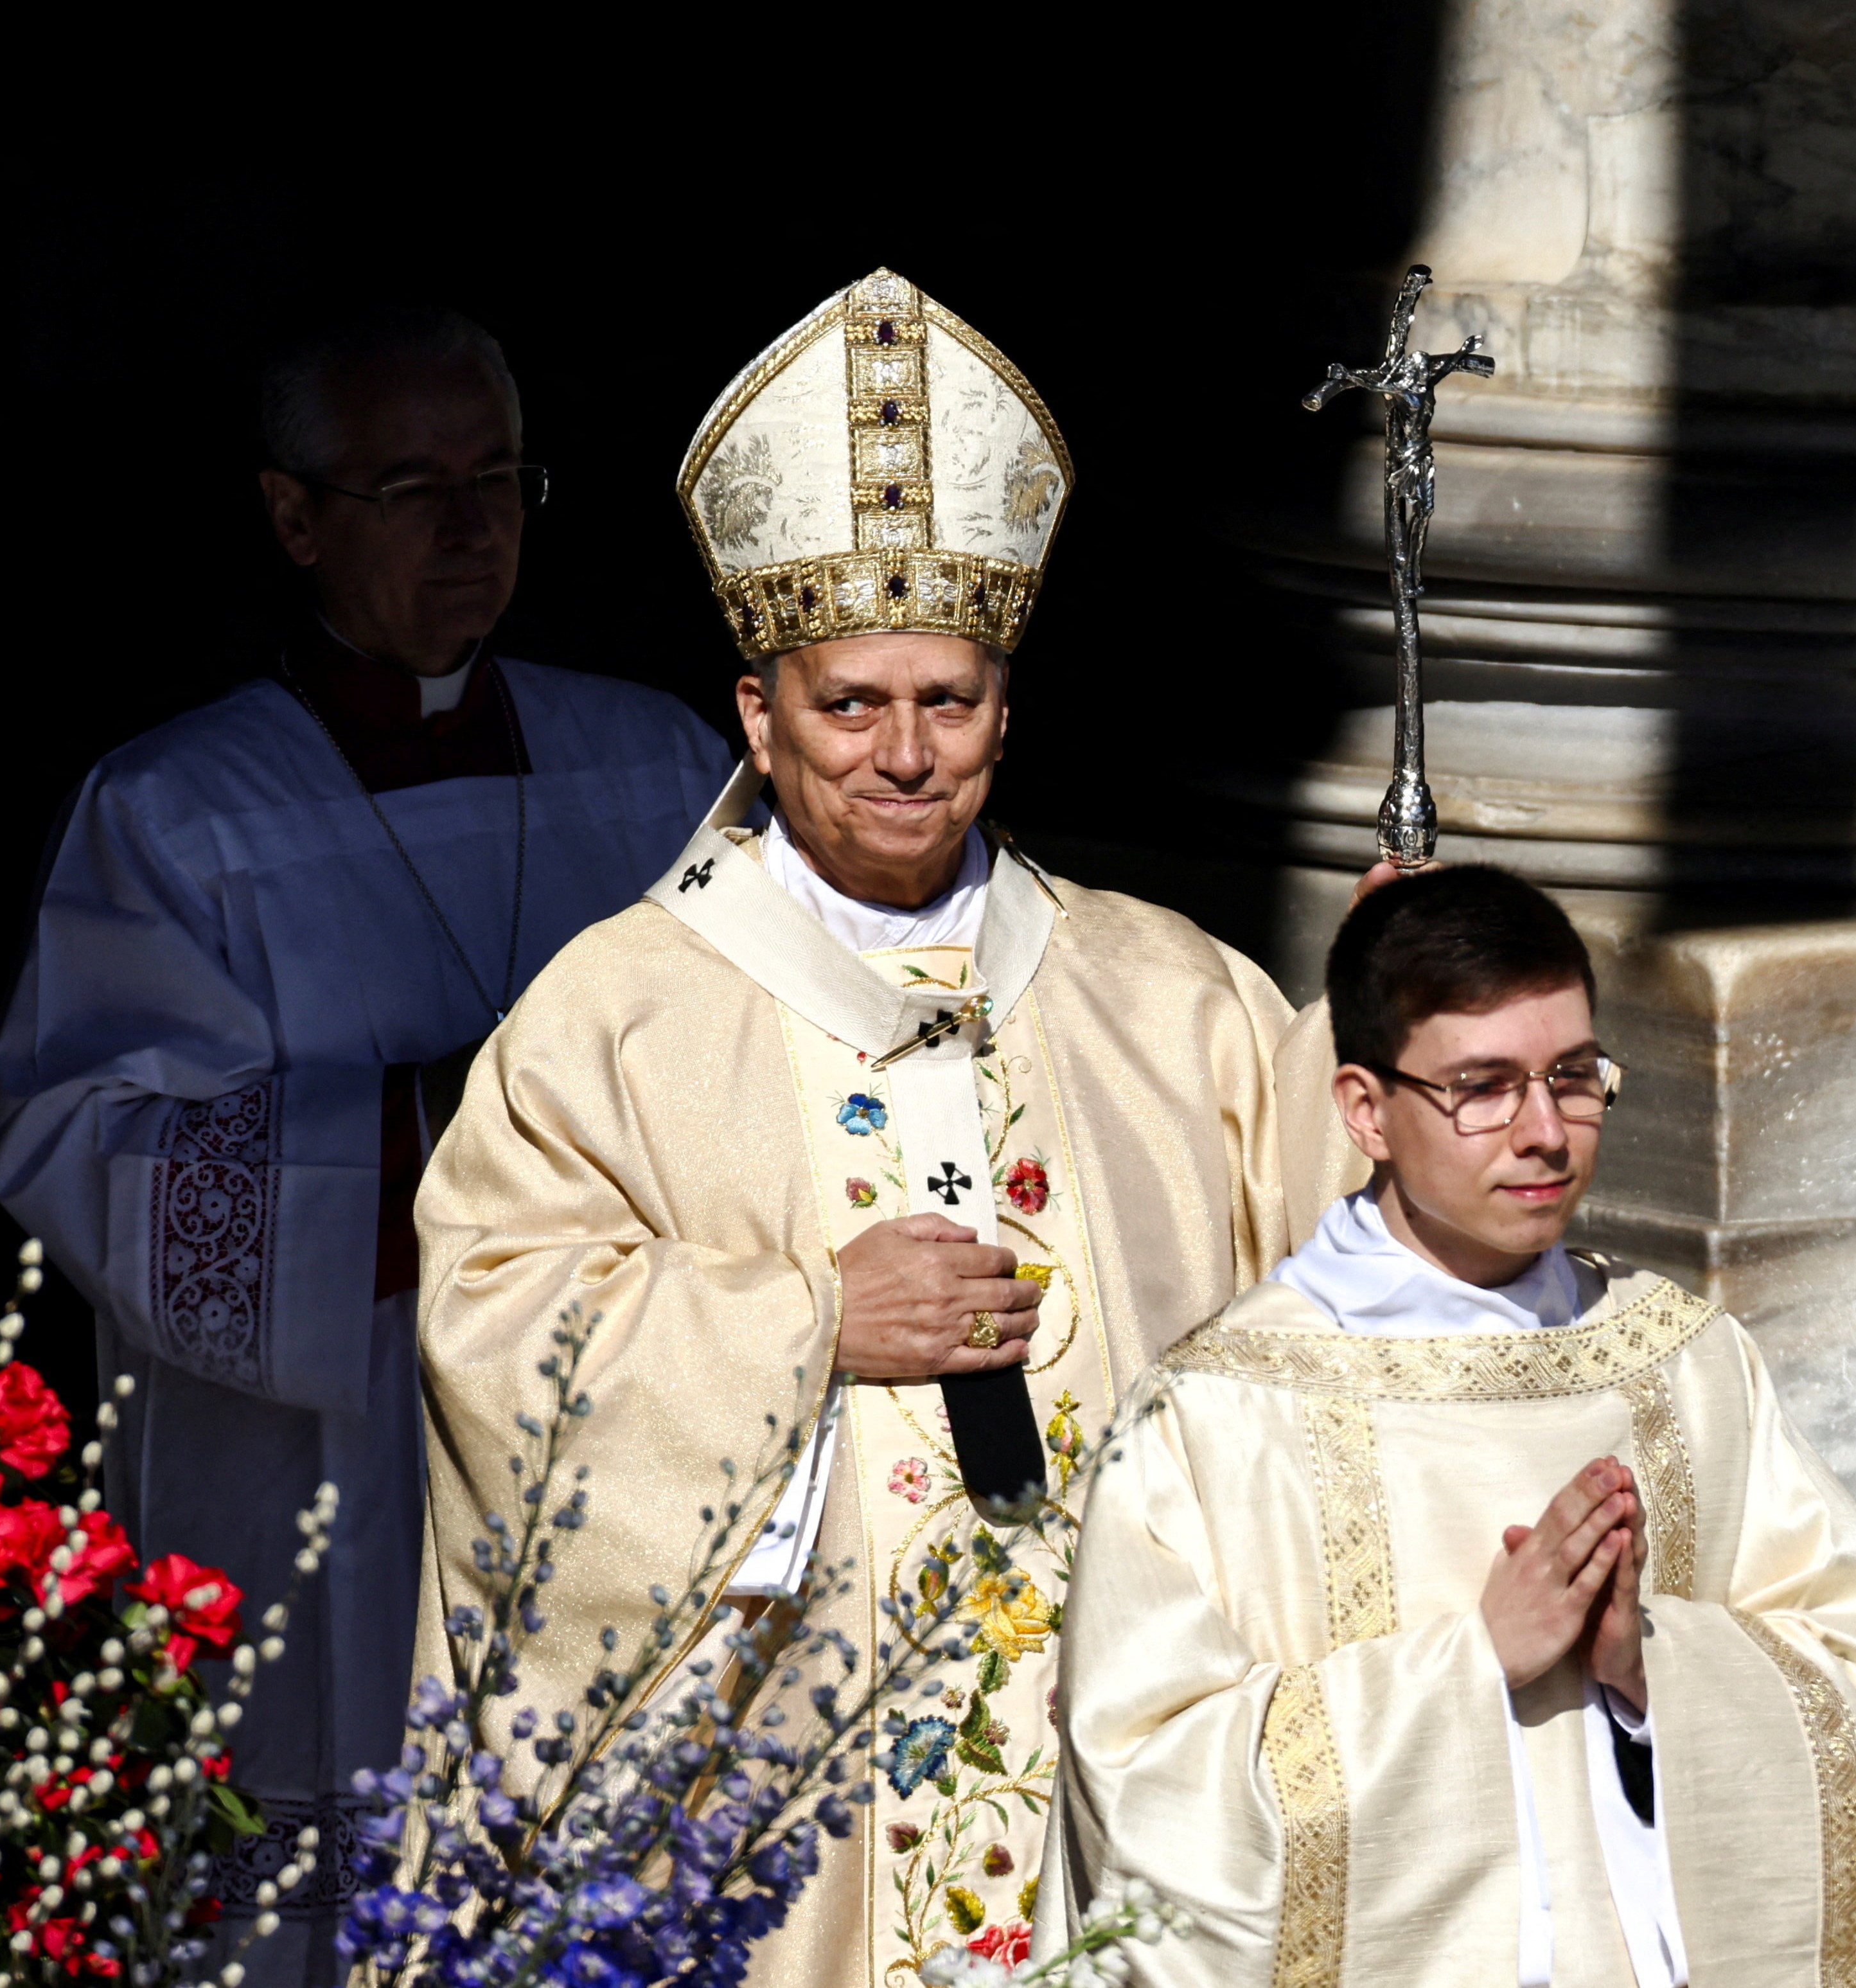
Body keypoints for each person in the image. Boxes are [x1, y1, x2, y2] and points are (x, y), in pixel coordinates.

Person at [412, 268, 1361, 1987]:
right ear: (757, 716)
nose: (908, 753)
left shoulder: (1171, 996)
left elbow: (1345, 1298)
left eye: (955, 698)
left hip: (1115, 1770)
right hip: (795, 1797)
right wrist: (806, 1322)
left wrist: (1400, 1044)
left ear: (1010, 707)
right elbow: (494, 1331)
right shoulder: (613, 1016)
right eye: (852, 703)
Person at [0, 304, 729, 1976]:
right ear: (294, 514)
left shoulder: (661, 759)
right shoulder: (174, 811)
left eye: (502, 476)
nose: (474, 526)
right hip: (327, 1466)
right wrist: (453, 1113)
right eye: (413, 484)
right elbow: (93, 1150)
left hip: (616, 1441)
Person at [1039, 865, 1856, 1988]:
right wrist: (1474, 1664)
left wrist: (1650, 1667)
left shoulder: (1687, 1364)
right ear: (1365, 1108)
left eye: (1573, 1077)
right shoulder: (1223, 1413)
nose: (1544, 1132)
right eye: (1482, 1087)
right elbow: (1142, 1791)